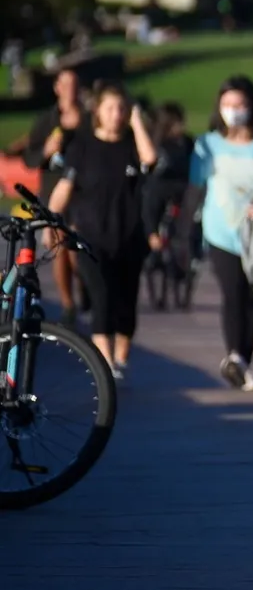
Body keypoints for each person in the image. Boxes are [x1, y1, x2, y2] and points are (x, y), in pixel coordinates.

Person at [42, 81, 158, 377]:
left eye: (122, 108)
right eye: (110, 108)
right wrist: (50, 220)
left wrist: (136, 122)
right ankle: (105, 365)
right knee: (102, 298)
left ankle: (120, 358)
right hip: (90, 238)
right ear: (98, 111)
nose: (116, 114)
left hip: (129, 237)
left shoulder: (132, 146)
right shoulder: (82, 148)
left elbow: (151, 159)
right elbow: (63, 189)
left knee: (126, 305)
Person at [189, 76, 253, 392]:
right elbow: (195, 189)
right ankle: (234, 355)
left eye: (240, 105)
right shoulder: (207, 145)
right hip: (220, 232)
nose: (234, 111)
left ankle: (242, 363)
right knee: (233, 292)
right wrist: (185, 232)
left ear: (252, 107)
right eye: (227, 105)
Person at [22, 68, 87, 326]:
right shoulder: (47, 120)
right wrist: (46, 150)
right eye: (65, 84)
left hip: (82, 193)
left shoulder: (88, 119)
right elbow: (30, 159)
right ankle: (67, 303)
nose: (70, 89)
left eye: (75, 84)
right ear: (57, 88)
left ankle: (84, 288)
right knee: (59, 247)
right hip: (53, 192)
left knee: (77, 252)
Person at [143, 102, 195, 255]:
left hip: (184, 208)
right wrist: (152, 230)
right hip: (163, 212)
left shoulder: (187, 144)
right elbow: (152, 196)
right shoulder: (159, 151)